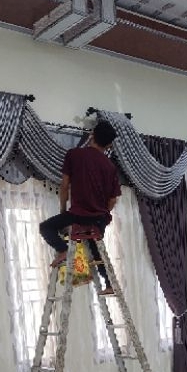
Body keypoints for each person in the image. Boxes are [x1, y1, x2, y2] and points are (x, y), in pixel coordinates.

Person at [39, 120, 121, 295]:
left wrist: (63, 211)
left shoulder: (74, 155)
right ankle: (109, 284)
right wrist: (101, 213)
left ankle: (63, 249)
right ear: (109, 145)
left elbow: (64, 186)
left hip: (78, 214)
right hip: (99, 218)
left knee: (46, 227)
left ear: (92, 135)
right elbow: (113, 200)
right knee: (95, 250)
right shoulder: (110, 166)